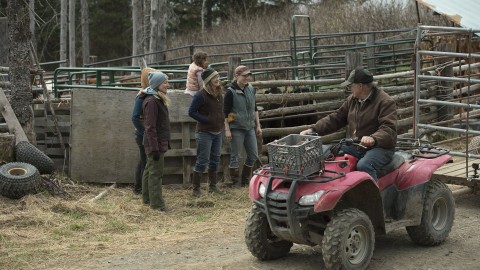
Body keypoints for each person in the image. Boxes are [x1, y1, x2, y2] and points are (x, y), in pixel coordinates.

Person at [300, 67, 397, 181]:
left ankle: (374, 197)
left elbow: (388, 129)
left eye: (351, 85)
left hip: (380, 148)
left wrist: (373, 138)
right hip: (358, 146)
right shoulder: (353, 100)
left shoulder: (385, 101)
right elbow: (336, 117)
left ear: (360, 86)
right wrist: (313, 129)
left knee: (364, 165)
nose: (350, 88)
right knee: (330, 154)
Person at [188, 68, 224, 196]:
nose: (218, 80)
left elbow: (220, 110)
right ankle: (196, 189)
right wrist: (206, 119)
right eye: (215, 78)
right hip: (204, 133)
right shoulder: (200, 95)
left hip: (217, 132)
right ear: (208, 80)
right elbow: (191, 112)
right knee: (202, 160)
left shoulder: (219, 93)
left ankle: (213, 187)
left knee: (215, 159)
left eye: (218, 77)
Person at [224, 65, 262, 187]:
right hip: (236, 127)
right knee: (236, 156)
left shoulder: (250, 88)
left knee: (253, 155)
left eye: (248, 75)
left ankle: (245, 181)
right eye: (244, 75)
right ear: (236, 76)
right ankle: (234, 183)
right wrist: (227, 129)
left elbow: (254, 108)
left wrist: (258, 125)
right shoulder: (230, 91)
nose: (247, 78)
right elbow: (226, 113)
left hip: (250, 126)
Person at [142, 71, 172, 212]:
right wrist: (154, 148)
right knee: (156, 173)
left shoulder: (157, 99)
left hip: (157, 142)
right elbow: (150, 127)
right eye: (165, 82)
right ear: (157, 85)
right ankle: (157, 205)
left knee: (150, 170)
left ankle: (148, 200)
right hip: (155, 143)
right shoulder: (152, 101)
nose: (167, 85)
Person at [131, 67, 156, 195]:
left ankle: (139, 187)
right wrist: (143, 131)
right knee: (144, 161)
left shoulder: (148, 94)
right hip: (142, 134)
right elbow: (134, 117)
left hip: (144, 133)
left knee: (143, 160)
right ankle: (139, 188)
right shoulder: (141, 97)